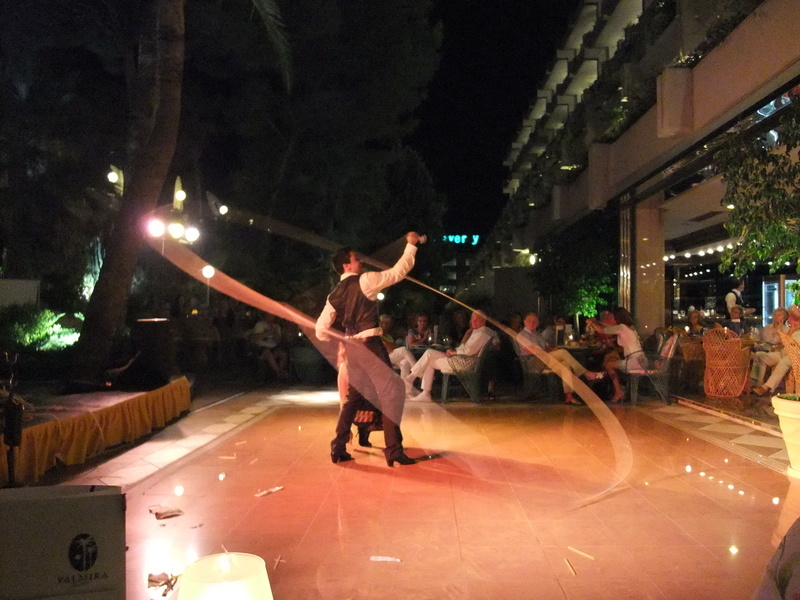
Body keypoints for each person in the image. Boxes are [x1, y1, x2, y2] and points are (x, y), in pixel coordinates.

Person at [315, 231, 423, 466]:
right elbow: (398, 272)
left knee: (353, 398)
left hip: (353, 349)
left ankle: (338, 447)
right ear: (347, 265)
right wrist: (411, 245)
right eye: (355, 259)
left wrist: (342, 339)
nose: (360, 261)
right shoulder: (365, 281)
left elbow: (320, 330)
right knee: (392, 391)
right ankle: (393, 450)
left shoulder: (333, 295)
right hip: (370, 347)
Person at [404, 311, 494, 402]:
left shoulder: (481, 334)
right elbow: (465, 347)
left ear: (483, 321)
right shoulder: (478, 332)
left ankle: (418, 387)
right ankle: (412, 380)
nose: (473, 321)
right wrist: (454, 351)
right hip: (459, 358)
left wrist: (455, 352)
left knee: (429, 361)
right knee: (429, 353)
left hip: (463, 362)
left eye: (476, 320)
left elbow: (469, 351)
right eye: (472, 319)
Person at [516, 312, 604, 405]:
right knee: (562, 352)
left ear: (538, 323)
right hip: (534, 361)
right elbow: (532, 351)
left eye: (535, 321)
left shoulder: (537, 334)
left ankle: (569, 396)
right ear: (524, 322)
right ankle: (585, 373)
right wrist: (552, 352)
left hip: (545, 360)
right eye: (529, 321)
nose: (532, 323)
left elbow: (547, 347)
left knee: (566, 365)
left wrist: (554, 349)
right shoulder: (523, 335)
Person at [585, 307, 646, 403]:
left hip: (634, 362)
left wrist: (592, 323)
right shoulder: (630, 327)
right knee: (610, 359)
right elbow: (609, 326)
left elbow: (603, 330)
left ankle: (618, 391)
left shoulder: (622, 328)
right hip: (641, 360)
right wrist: (596, 322)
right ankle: (614, 386)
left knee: (608, 365)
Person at [753, 317, 800, 397]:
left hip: (795, 356)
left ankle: (766, 387)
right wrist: (792, 330)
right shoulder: (794, 331)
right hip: (783, 353)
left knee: (784, 361)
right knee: (760, 356)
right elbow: (784, 343)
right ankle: (756, 382)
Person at [379, 314, 418, 398]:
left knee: (405, 362)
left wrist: (391, 345)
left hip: (392, 355)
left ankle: (405, 391)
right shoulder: (378, 335)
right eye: (382, 323)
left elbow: (393, 346)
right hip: (383, 357)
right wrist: (391, 345)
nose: (384, 325)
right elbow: (387, 347)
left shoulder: (388, 336)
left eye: (386, 323)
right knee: (403, 349)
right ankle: (417, 369)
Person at [751, 307, 789, 388]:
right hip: (765, 349)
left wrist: (779, 330)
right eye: (775, 315)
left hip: (778, 352)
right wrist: (756, 344)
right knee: (757, 354)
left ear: (784, 318)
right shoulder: (767, 327)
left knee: (762, 357)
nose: (776, 317)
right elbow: (757, 338)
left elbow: (785, 344)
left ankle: (758, 382)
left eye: (779, 315)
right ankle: (754, 381)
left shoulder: (786, 330)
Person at [248, 312, 289, 380]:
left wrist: (275, 333)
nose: (271, 317)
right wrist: (268, 333)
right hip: (262, 348)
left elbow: (278, 341)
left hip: (273, 347)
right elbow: (256, 338)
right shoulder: (260, 325)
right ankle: (279, 372)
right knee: (268, 352)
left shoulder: (276, 326)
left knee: (283, 354)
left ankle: (279, 372)